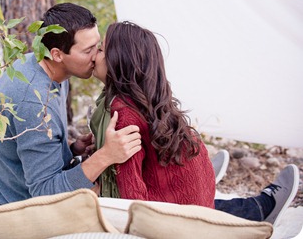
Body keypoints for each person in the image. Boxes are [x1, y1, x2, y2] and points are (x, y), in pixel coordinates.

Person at [90, 21, 299, 225]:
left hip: (179, 216)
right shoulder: (144, 98)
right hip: (195, 195)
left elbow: (131, 200)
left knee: (198, 211)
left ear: (118, 61)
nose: (94, 56)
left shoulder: (123, 114)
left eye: (100, 50)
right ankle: (186, 175)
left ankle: (260, 208)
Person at [0, 3, 141, 206]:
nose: (97, 56)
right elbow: (44, 192)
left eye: (98, 46)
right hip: (21, 209)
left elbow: (26, 144)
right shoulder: (34, 101)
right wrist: (106, 156)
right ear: (57, 54)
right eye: (87, 51)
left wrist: (72, 148)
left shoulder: (41, 66)